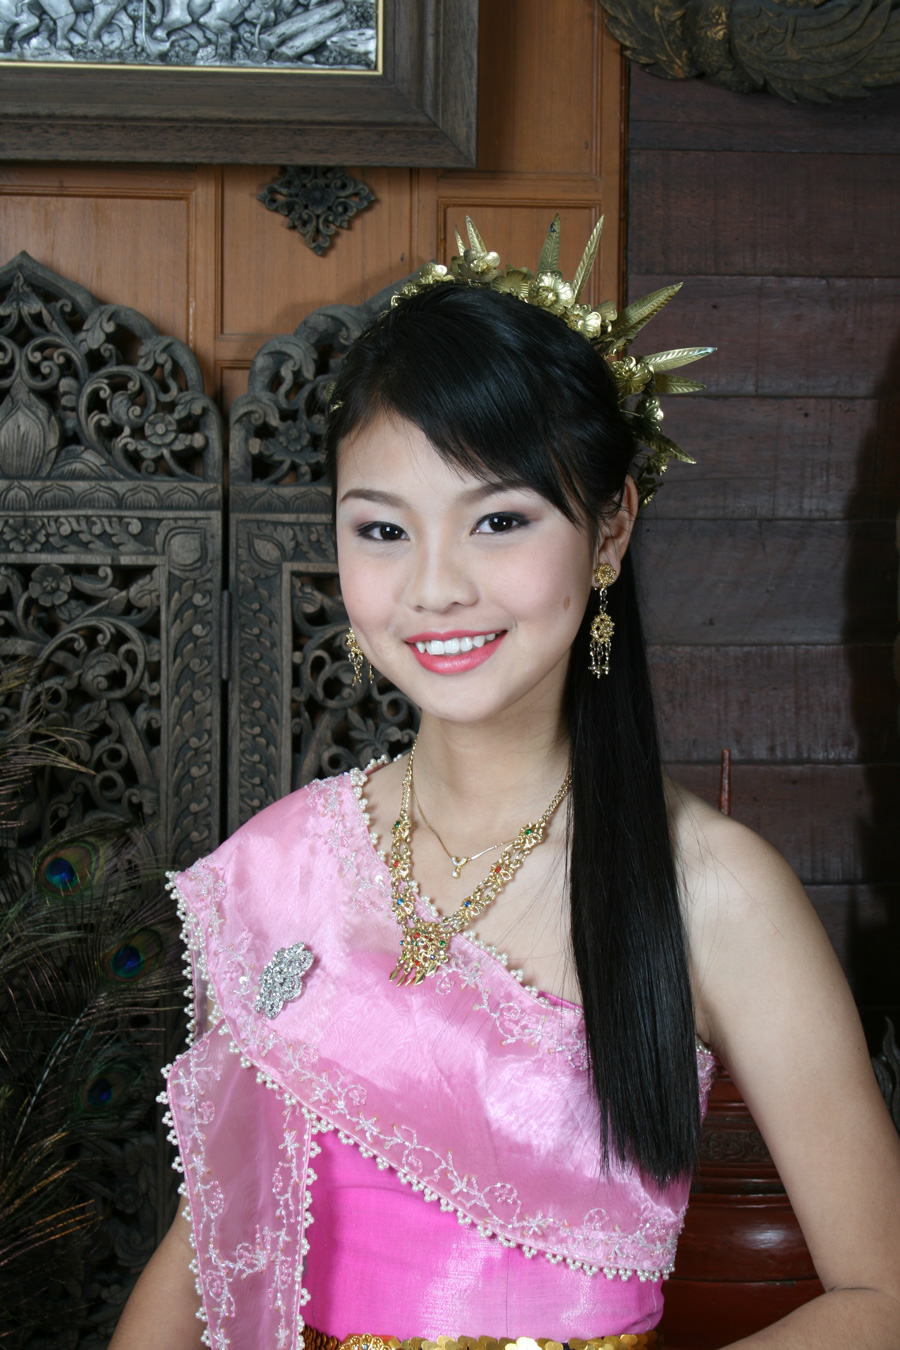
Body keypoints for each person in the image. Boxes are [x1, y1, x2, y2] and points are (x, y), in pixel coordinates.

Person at [110, 219, 900, 1350]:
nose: (435, 587)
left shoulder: (711, 890)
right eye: (383, 529)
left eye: (498, 521)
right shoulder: (284, 868)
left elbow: (884, 1296)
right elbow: (212, 1248)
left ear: (610, 530)